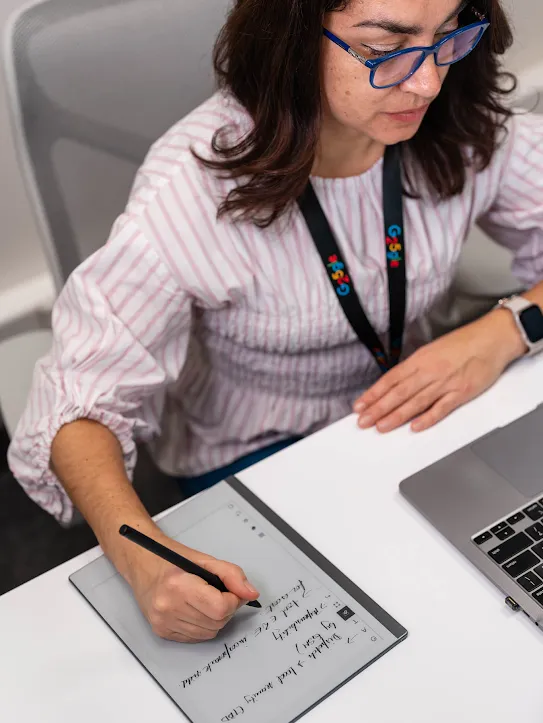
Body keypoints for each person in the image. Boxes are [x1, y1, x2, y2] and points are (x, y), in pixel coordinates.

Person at [9, 0, 543, 643]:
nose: (427, 81)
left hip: (417, 408)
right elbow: (75, 411)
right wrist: (142, 557)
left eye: (448, 35)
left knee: (489, 605)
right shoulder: (190, 193)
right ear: (292, 40)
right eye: (383, 50)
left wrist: (509, 327)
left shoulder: (455, 123)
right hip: (255, 453)